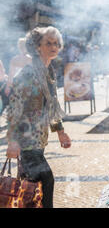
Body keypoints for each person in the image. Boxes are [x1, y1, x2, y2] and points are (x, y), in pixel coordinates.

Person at [6, 26, 72, 208]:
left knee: (31, 189)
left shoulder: (48, 72)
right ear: (37, 47)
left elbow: (51, 106)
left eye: (57, 43)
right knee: (46, 180)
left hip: (39, 139)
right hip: (25, 140)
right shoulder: (28, 74)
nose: (54, 46)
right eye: (48, 43)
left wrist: (60, 132)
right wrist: (12, 141)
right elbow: (14, 109)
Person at [3, 38, 32, 103]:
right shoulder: (31, 59)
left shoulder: (14, 59)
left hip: (17, 86)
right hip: (29, 85)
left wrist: (8, 87)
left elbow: (11, 75)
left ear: (19, 47)